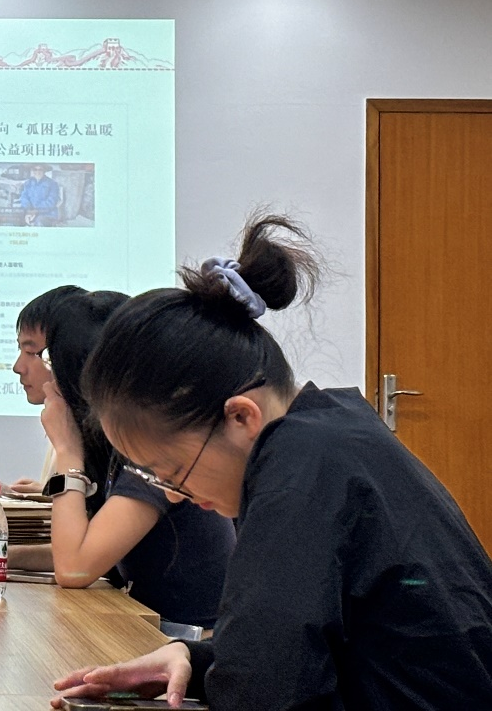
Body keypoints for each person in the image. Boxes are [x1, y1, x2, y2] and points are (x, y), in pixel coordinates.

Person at [52, 215, 492, 710]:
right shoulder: (334, 430)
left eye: (174, 472)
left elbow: (264, 688)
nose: (177, 494)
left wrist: (220, 669)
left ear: (241, 416)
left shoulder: (300, 475)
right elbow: (296, 642)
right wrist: (192, 658)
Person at [0, 287, 235, 631]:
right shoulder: (112, 443)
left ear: (74, 367)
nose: (18, 367)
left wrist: (67, 451)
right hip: (150, 629)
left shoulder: (150, 447)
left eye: (37, 354)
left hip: (192, 642)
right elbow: (86, 551)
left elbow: (74, 569)